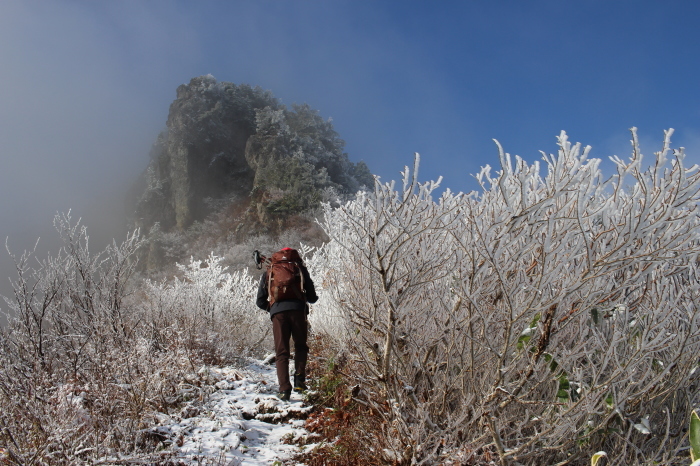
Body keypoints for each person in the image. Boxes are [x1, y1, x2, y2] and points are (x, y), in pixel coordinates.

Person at [256, 247, 318, 401]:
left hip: (278, 314)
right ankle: (299, 381)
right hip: (298, 311)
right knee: (301, 346)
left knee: (281, 351)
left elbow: (260, 301)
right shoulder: (300, 269)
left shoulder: (270, 271)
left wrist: (273, 308)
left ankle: (284, 390)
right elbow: (312, 297)